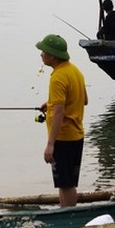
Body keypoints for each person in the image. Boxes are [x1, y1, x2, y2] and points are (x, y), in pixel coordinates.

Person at [35, 34, 88, 207]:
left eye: (44, 51)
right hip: (76, 135)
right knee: (66, 183)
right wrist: (50, 103)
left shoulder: (58, 78)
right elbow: (84, 100)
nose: (41, 54)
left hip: (63, 139)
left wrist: (50, 144)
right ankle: (65, 213)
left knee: (66, 185)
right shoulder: (74, 71)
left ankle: (70, 219)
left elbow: (59, 113)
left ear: (52, 55)